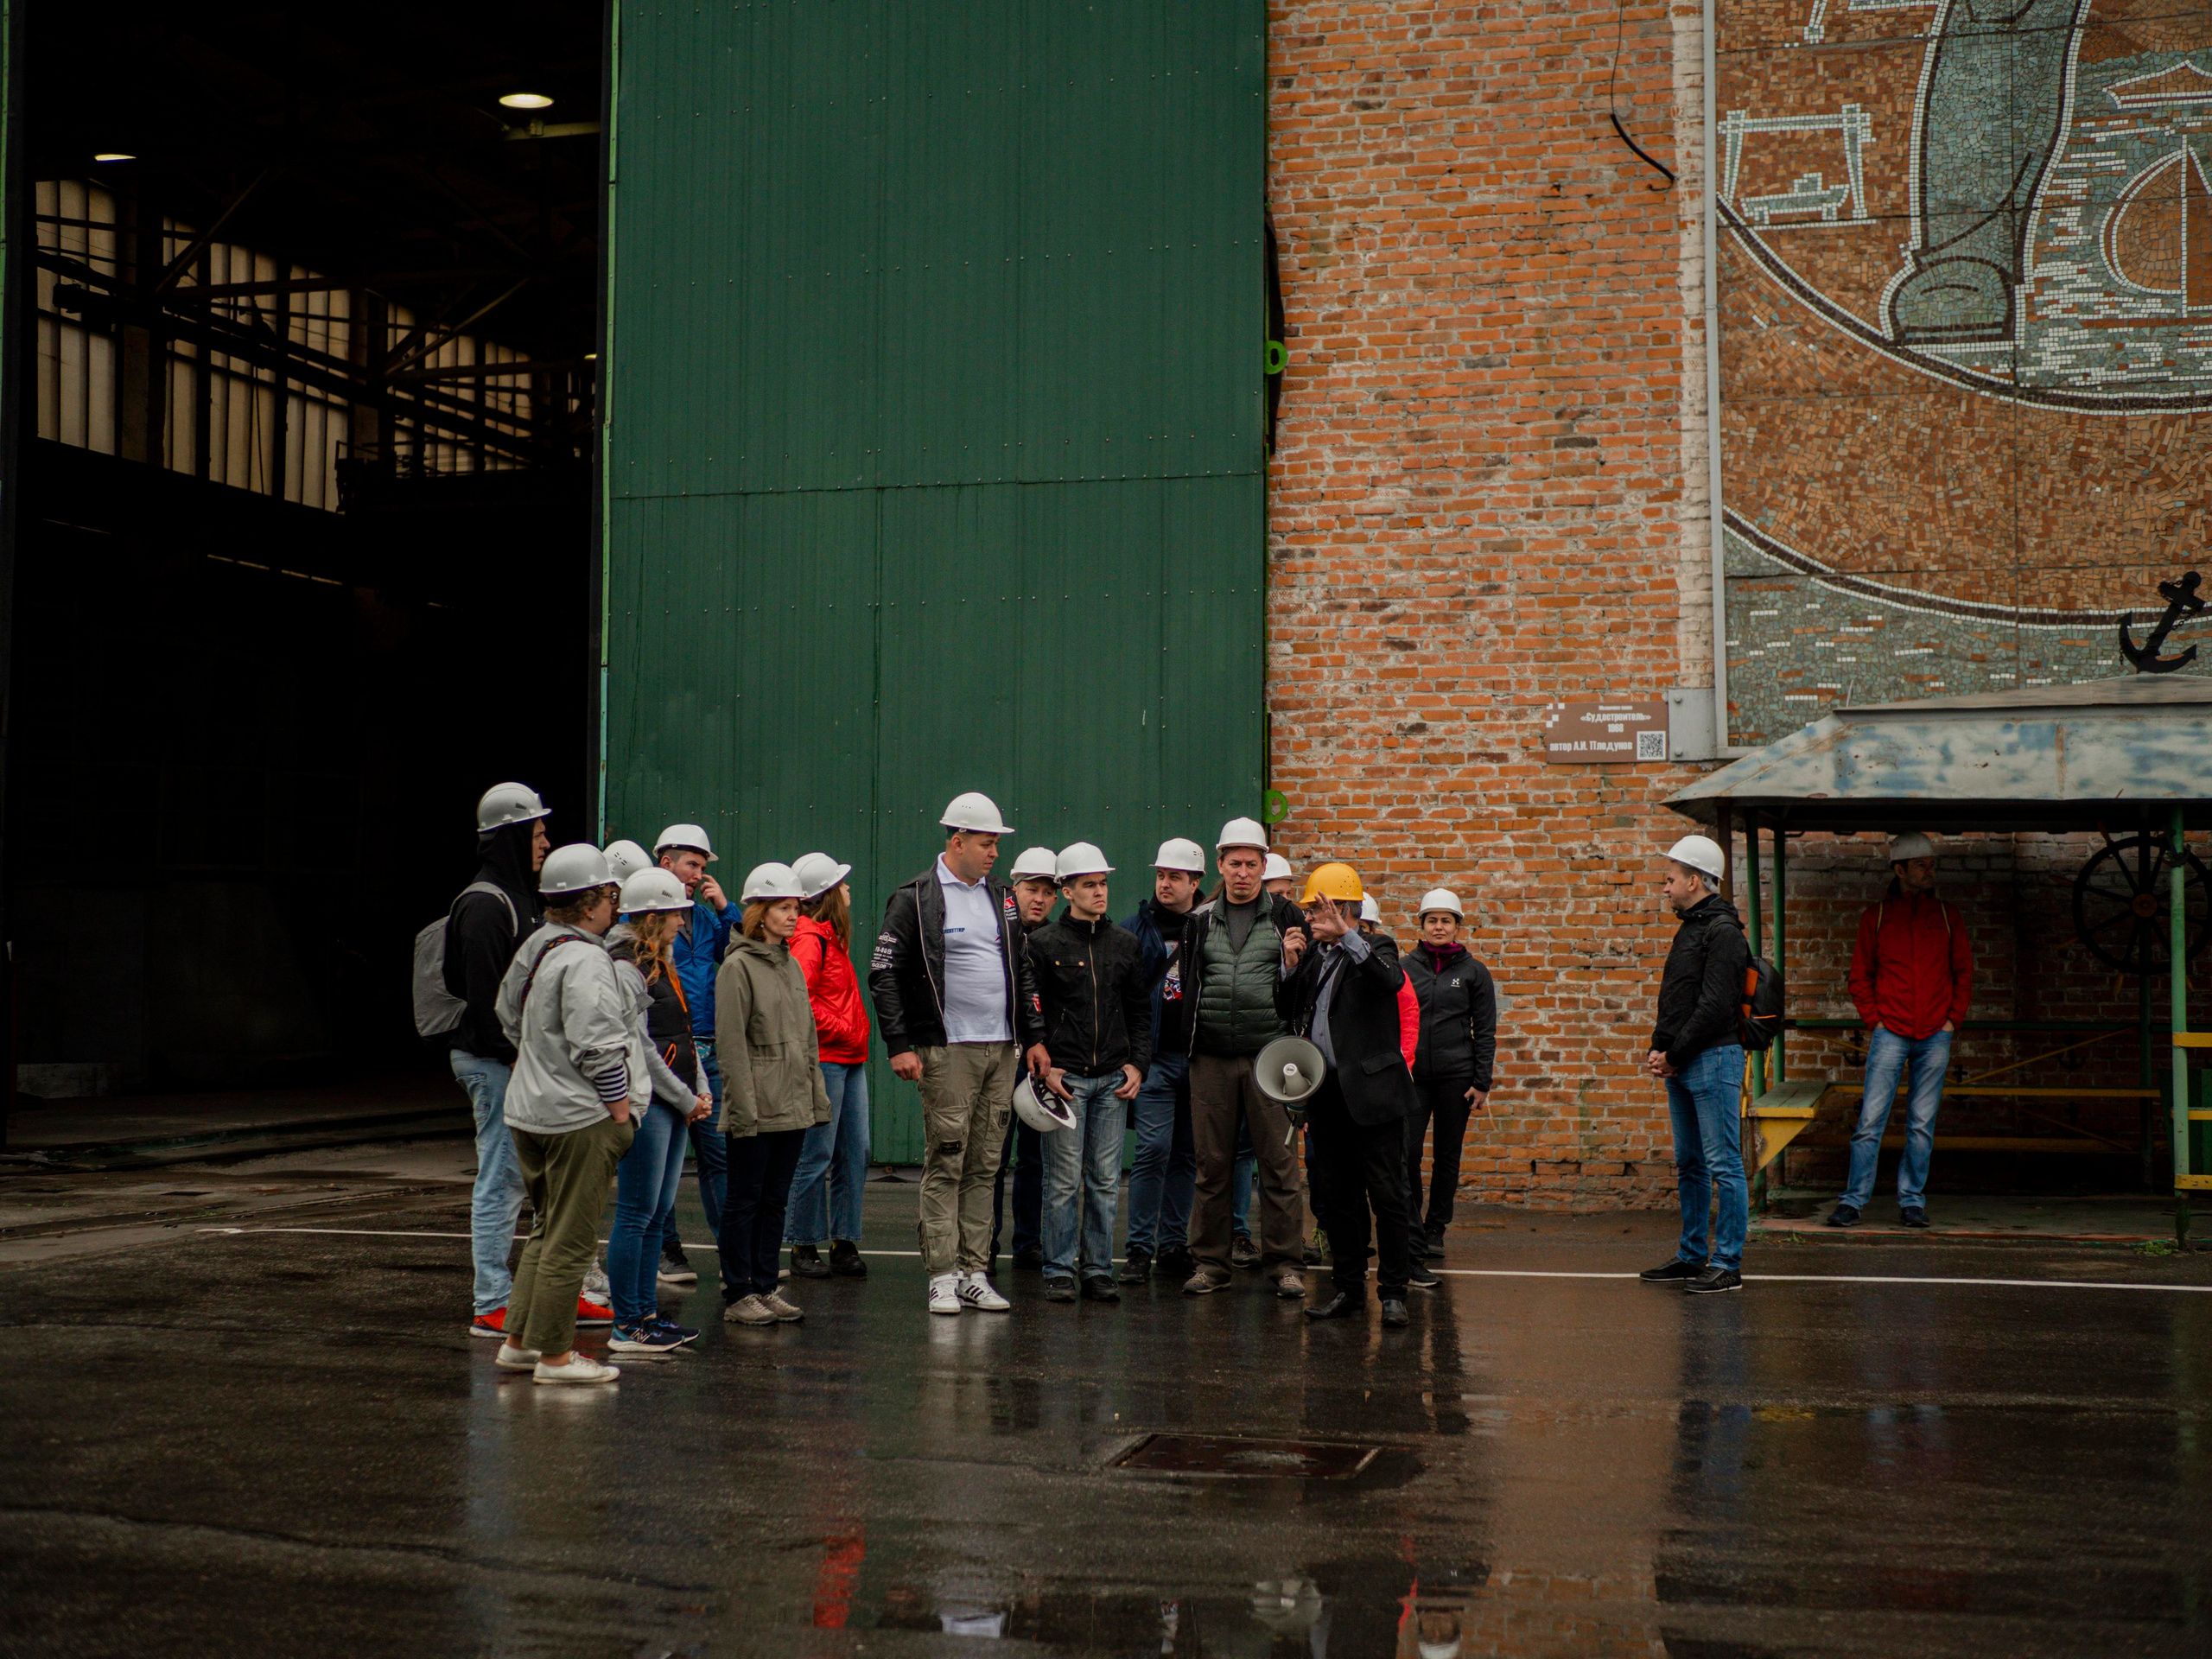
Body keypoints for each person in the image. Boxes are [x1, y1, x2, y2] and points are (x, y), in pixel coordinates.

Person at [868, 792, 1050, 1316]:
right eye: (987, 843)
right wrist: (899, 1043)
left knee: (986, 1165)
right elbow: (884, 974)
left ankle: (975, 1271)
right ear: (957, 842)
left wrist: (1033, 1037)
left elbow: (1023, 969)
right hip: (946, 1049)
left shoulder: (1002, 896)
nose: (994, 853)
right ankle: (942, 1274)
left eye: (996, 844)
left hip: (1003, 1048)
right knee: (947, 1160)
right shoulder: (915, 898)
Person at [446, 783, 614, 1338]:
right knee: (502, 1181)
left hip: (522, 1063)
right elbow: (485, 999)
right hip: (497, 1063)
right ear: (512, 836)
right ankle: (491, 1300)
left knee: (544, 1182)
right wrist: (525, 1057)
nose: (545, 841)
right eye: (537, 831)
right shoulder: (484, 905)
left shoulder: (517, 898)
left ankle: (554, 1292)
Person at [491, 843, 639, 1384]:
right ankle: (554, 1357)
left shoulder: (537, 944)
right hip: (577, 1117)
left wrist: (541, 1056)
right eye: (610, 895)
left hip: (527, 1110)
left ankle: (520, 1343)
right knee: (570, 1241)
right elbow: (599, 1045)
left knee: (545, 1229)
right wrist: (621, 1114)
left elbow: (507, 1015)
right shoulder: (587, 958)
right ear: (594, 900)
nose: (615, 905)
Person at [1275, 862, 1419, 1327]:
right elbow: (1289, 1010)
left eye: (1316, 912)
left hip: (1374, 1095)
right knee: (1338, 1197)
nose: (1308, 920)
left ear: (1342, 909)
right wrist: (1290, 966)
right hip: (1329, 1094)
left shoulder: (1377, 947)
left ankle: (1394, 1292)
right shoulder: (1316, 956)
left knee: (1388, 1195)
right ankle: (1348, 1290)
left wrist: (1348, 935)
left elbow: (1390, 982)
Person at [1179, 817, 1308, 1299]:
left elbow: (1303, 994)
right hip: (1210, 1058)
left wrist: (1295, 968)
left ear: (1263, 865)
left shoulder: (1287, 918)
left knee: (1279, 1163)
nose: (1243, 873)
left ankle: (1286, 1265)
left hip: (1269, 1057)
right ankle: (1210, 1264)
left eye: (1252, 864)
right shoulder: (1197, 922)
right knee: (1212, 1164)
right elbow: (1187, 989)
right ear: (1220, 865)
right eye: (1234, 863)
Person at [1027, 842, 1152, 1303]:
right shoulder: (1043, 945)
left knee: (1103, 1180)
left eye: (1103, 883)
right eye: (1089, 885)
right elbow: (1030, 1011)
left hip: (1112, 1080)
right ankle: (1059, 1269)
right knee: (1062, 1181)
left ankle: (1098, 1269)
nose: (1100, 892)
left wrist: (1138, 1063)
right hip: (1066, 1079)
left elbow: (1140, 1010)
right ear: (1066, 890)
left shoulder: (1125, 943)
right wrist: (1046, 1066)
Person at [1831, 831, 1973, 1229]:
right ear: (1899, 870)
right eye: (1921, 865)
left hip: (1935, 1034)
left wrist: (1951, 1021)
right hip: (1890, 1032)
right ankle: (1852, 1202)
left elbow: (1964, 973)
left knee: (1922, 1125)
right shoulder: (1875, 917)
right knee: (1870, 1122)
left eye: (1931, 865)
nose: (1930, 871)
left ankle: (1912, 1202)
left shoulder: (1948, 916)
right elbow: (1860, 977)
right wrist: (1875, 1022)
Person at [715, 862, 834, 1326]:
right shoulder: (737, 967)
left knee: (775, 1200)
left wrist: (815, 1100)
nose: (793, 915)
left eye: (796, 907)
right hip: (756, 1107)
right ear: (759, 912)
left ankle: (764, 1286)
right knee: (745, 1199)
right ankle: (738, 1291)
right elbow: (731, 1047)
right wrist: (744, 1111)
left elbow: (807, 1039)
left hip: (792, 1106)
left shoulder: (788, 964)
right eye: (784, 907)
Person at [605, 868, 713, 1355]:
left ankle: (646, 1314)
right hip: (652, 1104)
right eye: (674, 914)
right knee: (636, 1211)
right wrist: (687, 1097)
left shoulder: (662, 961)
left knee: (655, 1213)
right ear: (651, 917)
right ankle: (627, 1322)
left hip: (676, 1101)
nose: (681, 923)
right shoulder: (626, 966)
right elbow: (642, 1047)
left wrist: (700, 1088)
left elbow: (683, 1034)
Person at [1638, 835, 1751, 1294]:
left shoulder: (1723, 932)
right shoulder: (1692, 927)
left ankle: (1727, 1264)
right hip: (1684, 1061)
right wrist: (1658, 1048)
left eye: (1670, 880)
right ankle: (1691, 1257)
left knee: (1724, 1163)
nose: (1665, 888)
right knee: (1690, 1163)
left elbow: (1714, 1007)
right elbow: (1679, 998)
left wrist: (1674, 1053)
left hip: (1713, 1059)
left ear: (1694, 879)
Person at [1120, 837, 1205, 1285]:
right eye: (1161, 875)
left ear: (1195, 882)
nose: (1165, 883)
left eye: (1174, 876)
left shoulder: (1211, 929)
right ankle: (1138, 1250)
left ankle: (1173, 1246)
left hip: (1197, 1060)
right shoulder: (1134, 928)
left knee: (1187, 1155)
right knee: (1153, 1150)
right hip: (1153, 1061)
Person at [785, 851, 873, 1281]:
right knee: (817, 1153)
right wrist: (844, 1028)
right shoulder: (809, 939)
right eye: (842, 884)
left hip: (848, 1059)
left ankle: (844, 1241)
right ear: (827, 894)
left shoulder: (829, 936)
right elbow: (799, 999)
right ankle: (803, 1244)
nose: (848, 889)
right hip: (827, 1059)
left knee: (855, 1152)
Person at [656, 823, 734, 1287]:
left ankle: (732, 1254)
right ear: (666, 863)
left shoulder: (704, 919)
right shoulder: (645, 917)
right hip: (667, 1051)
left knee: (718, 1156)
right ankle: (667, 1250)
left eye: (702, 868)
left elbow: (744, 947)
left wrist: (724, 908)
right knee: (663, 1156)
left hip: (708, 1050)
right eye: (693, 865)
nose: (698, 875)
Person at [1404, 888, 1497, 1262]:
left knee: (1447, 1155)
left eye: (1446, 920)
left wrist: (1481, 1082)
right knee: (1406, 1154)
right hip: (1411, 1079)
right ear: (1422, 925)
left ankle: (1434, 1229)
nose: (1439, 927)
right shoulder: (1404, 967)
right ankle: (1410, 1226)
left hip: (1455, 1078)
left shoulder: (1475, 972)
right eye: (1432, 920)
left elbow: (1486, 1030)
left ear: (1457, 927)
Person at [989, 845, 1061, 1271]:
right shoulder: (995, 936)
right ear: (1013, 890)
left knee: (1036, 1157)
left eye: (1047, 892)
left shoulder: (1058, 941)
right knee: (992, 1157)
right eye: (1030, 889)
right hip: (998, 1056)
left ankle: (1029, 1242)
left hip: (1043, 1064)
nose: (1038, 898)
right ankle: (986, 1242)